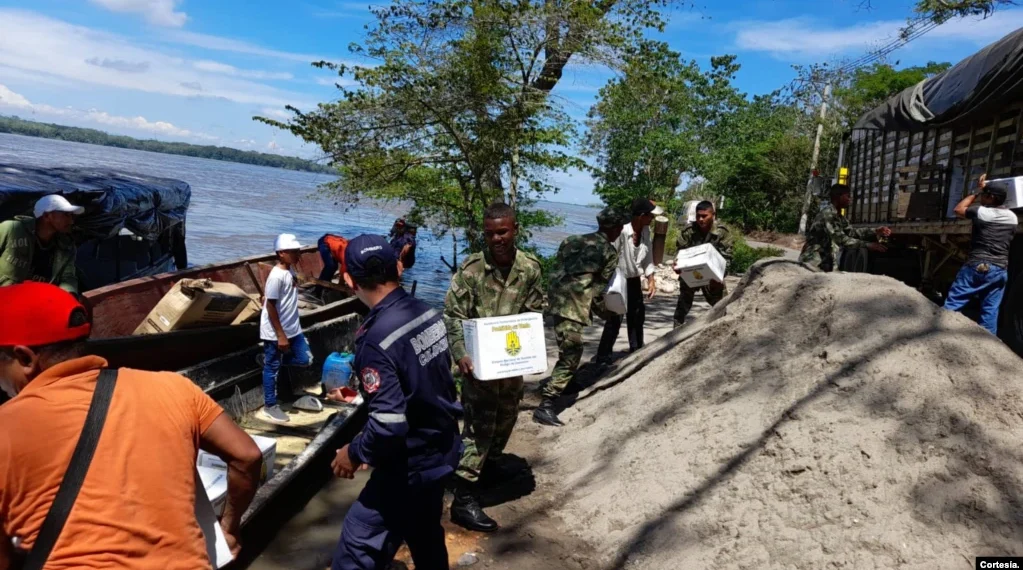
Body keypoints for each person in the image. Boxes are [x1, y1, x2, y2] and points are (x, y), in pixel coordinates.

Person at [0, 282, 262, 569]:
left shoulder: (6, 426)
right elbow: (247, 456)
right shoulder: (174, 388)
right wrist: (229, 528)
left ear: (25, 358)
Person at [330, 234, 462, 570]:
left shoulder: (375, 340)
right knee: (425, 533)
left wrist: (354, 452)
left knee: (357, 545)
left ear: (348, 279)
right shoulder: (427, 312)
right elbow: (423, 381)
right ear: (398, 267)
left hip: (410, 465)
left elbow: (389, 424)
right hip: (442, 447)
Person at [443, 202, 545, 532]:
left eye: (502, 231)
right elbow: (453, 316)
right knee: (479, 427)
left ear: (515, 229)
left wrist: (529, 352)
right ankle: (464, 498)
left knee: (506, 419)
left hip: (511, 365)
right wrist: (460, 353)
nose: (496, 238)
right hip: (478, 367)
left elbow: (533, 314)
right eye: (490, 233)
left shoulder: (530, 268)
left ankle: (489, 466)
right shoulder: (471, 269)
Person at [534, 207, 624, 427]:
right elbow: (599, 288)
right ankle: (546, 404)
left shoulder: (572, 240)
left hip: (556, 299)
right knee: (573, 352)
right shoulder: (609, 252)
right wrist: (608, 312)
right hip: (574, 305)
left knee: (566, 344)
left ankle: (569, 382)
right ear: (616, 228)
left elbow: (558, 268)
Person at [943, 174, 1018, 335]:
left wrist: (976, 191)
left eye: (984, 195)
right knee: (990, 311)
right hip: (999, 269)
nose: (982, 198)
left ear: (990, 197)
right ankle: (989, 345)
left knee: (953, 303)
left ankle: (939, 335)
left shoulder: (983, 213)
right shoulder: (1013, 218)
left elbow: (958, 209)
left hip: (977, 265)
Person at [595, 197, 662, 364]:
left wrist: (650, 278)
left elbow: (647, 257)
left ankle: (637, 350)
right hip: (617, 279)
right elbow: (610, 255)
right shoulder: (623, 231)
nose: (652, 220)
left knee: (637, 316)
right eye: (650, 216)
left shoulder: (646, 231)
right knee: (614, 319)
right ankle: (603, 357)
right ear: (640, 216)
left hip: (633, 280)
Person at [260, 233, 314, 423]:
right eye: (293, 252)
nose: (297, 255)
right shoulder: (276, 276)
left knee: (305, 359)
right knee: (272, 368)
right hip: (276, 332)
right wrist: (280, 336)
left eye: (298, 251)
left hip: (293, 328)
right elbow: (270, 306)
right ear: (281, 253)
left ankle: (268, 363)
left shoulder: (289, 273)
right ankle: (270, 405)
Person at [0, 194, 84, 294]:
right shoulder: (11, 229)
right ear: (47, 216)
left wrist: (69, 297)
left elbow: (67, 278)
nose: (71, 221)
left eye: (71, 216)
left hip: (35, 303)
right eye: (66, 214)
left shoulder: (67, 248)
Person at [800, 183, 890, 272]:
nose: (849, 199)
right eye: (847, 196)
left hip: (824, 262)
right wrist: (867, 245)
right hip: (813, 263)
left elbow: (851, 232)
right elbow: (841, 239)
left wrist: (875, 231)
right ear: (838, 197)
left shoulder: (839, 217)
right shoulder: (828, 214)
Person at [673, 201, 736, 328]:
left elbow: (727, 258)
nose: (700, 219)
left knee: (723, 306)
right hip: (690, 273)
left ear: (713, 215)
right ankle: (675, 334)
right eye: (698, 216)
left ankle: (726, 331)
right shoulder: (689, 231)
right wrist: (677, 264)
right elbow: (680, 252)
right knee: (682, 307)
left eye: (704, 216)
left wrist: (720, 277)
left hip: (712, 275)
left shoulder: (722, 233)